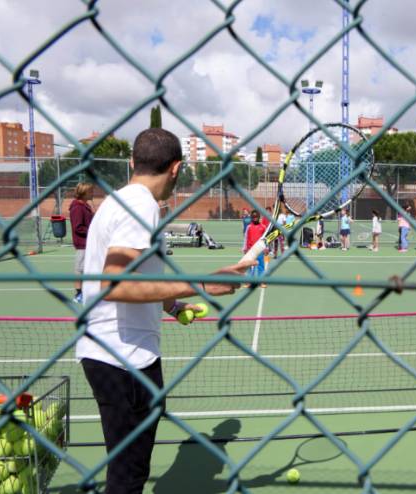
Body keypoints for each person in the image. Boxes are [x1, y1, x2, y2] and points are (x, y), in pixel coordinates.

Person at [77, 128, 252, 494]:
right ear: (176, 168)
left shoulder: (118, 200)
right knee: (127, 478)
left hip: (114, 354)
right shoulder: (141, 205)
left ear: (132, 162)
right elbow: (115, 285)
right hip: (124, 360)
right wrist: (200, 284)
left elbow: (133, 275)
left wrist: (170, 304)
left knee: (128, 471)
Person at [69, 183, 95, 304]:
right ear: (84, 193)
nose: (92, 193)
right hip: (82, 244)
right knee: (80, 269)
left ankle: (86, 291)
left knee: (87, 268)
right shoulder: (77, 207)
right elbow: (78, 227)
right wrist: (92, 232)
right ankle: (79, 294)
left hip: (89, 243)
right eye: (90, 191)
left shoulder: (85, 206)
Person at [243, 210, 267, 288]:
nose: (255, 218)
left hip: (260, 250)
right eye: (253, 217)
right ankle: (249, 282)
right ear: (251, 217)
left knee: (261, 266)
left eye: (256, 217)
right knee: (249, 266)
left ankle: (261, 281)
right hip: (250, 250)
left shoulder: (263, 227)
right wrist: (245, 248)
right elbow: (246, 238)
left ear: (259, 217)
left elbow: (266, 239)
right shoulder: (249, 227)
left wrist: (266, 248)